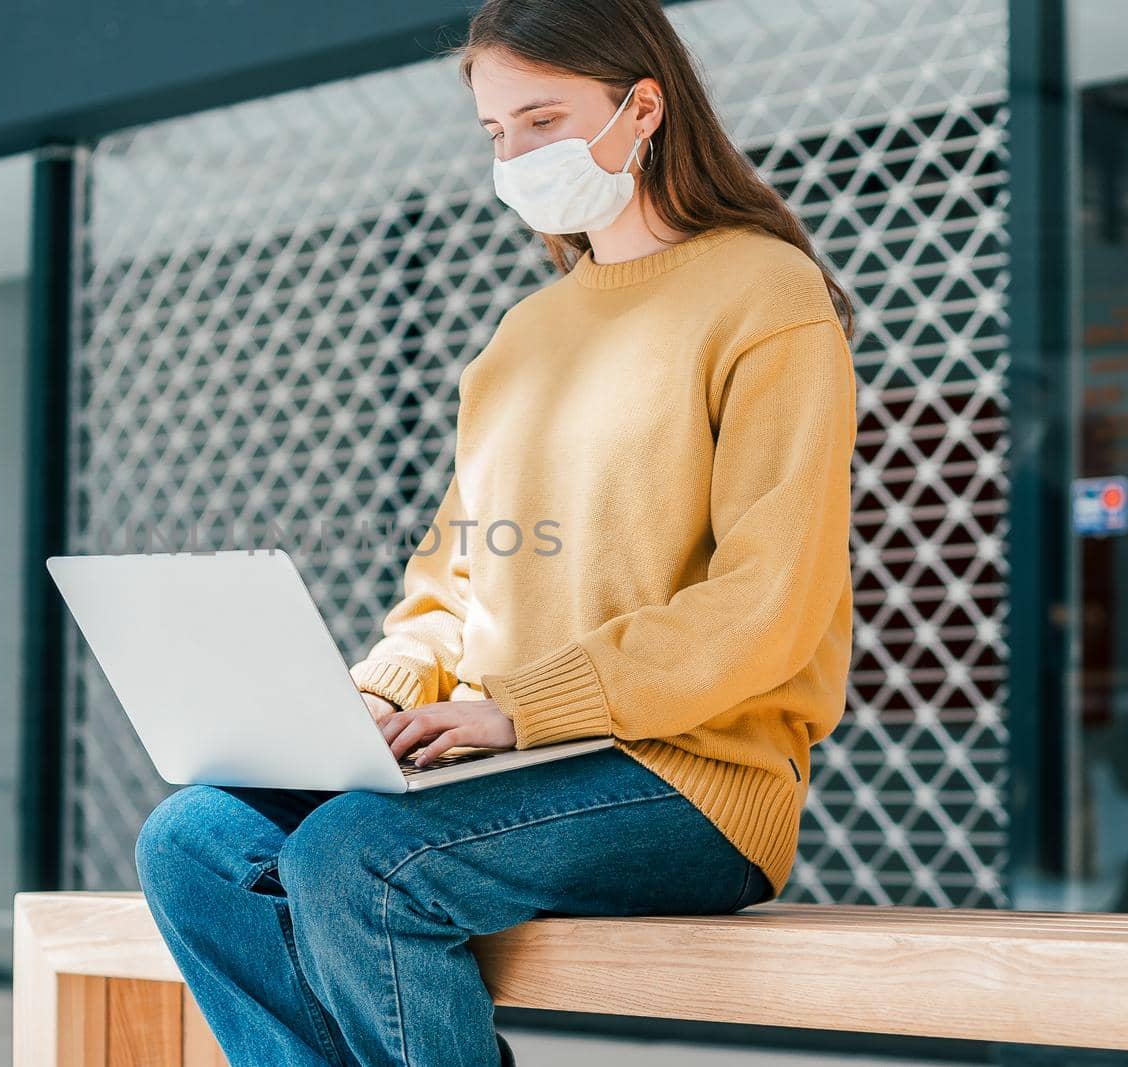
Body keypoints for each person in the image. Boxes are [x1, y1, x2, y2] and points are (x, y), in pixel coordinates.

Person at [134, 0, 859, 1063]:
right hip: (502, 764)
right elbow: (455, 582)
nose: (514, 154)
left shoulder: (764, 294)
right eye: (495, 133)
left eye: (541, 119)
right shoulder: (524, 336)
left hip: (692, 780)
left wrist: (518, 709)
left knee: (354, 856)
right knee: (193, 840)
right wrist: (374, 695)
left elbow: (766, 605)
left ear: (640, 106)